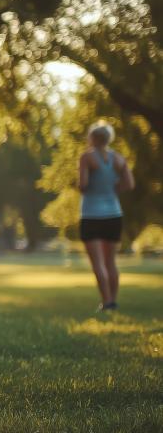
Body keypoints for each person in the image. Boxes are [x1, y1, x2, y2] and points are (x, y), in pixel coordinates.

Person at [78, 121, 133, 311]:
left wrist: (85, 185)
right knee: (111, 263)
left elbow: (83, 185)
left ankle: (106, 301)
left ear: (92, 138)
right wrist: (112, 189)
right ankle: (113, 301)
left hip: (91, 215)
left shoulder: (87, 157)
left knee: (98, 264)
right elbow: (129, 184)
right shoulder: (118, 159)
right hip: (113, 214)